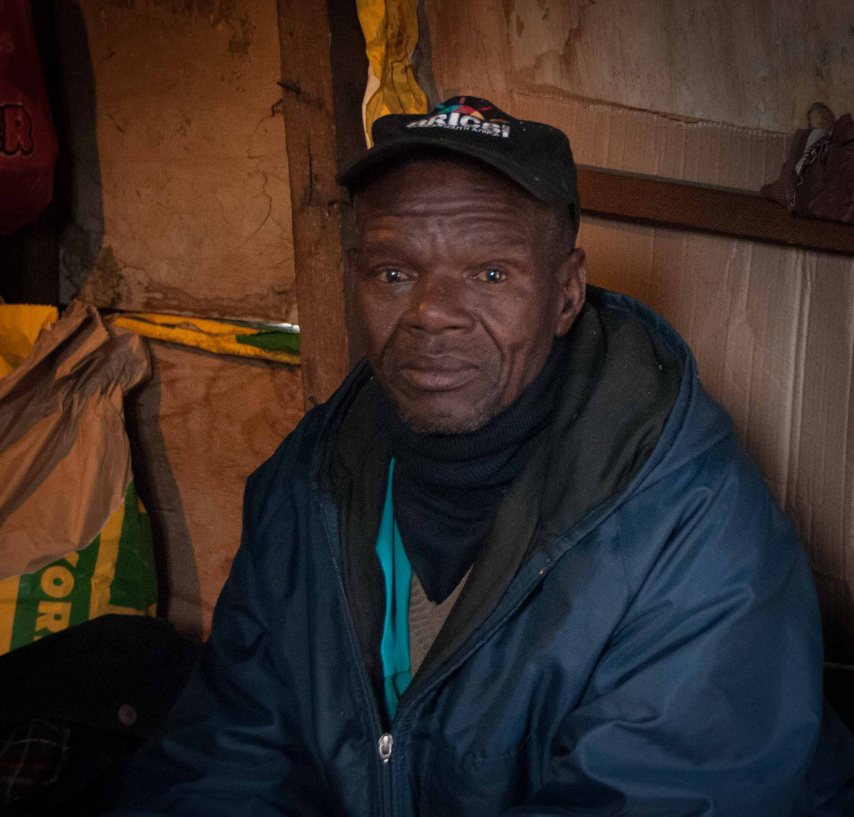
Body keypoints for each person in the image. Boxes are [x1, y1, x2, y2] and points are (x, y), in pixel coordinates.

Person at [110, 96, 854, 816]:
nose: (431, 312)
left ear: (566, 295)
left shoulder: (692, 525)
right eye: (393, 273)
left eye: (490, 275)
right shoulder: (308, 484)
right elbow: (229, 754)